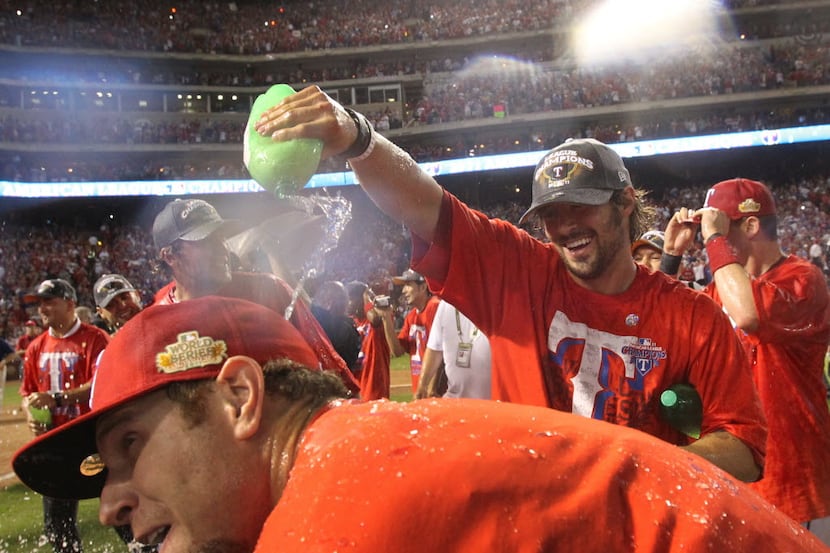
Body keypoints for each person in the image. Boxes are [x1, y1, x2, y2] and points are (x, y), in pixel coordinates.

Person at [11, 296, 828, 553]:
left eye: (126, 447)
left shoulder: (337, 504)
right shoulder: (356, 447)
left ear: (239, 399)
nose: (111, 502)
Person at [252, 88, 767, 482]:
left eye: (581, 205)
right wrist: (357, 138)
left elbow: (744, 445)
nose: (565, 225)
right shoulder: (521, 273)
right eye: (551, 213)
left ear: (626, 202)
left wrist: (627, 471)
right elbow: (426, 205)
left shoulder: (692, 315)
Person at [663, 178, 830, 541]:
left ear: (751, 225)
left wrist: (714, 241)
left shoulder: (803, 279)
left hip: (793, 479)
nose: (710, 233)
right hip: (740, 474)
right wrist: (672, 256)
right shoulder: (720, 288)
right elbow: (657, 324)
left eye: (719, 224)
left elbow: (748, 313)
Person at [150, 197, 360, 396]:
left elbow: (328, 364)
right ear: (169, 256)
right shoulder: (158, 322)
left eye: (222, 237)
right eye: (206, 241)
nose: (223, 248)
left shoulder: (268, 291)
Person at [19, 278, 110, 553]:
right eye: (39, 304)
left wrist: (58, 398)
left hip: (93, 439)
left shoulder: (95, 338)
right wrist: (29, 414)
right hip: (56, 442)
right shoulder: (36, 346)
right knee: (58, 526)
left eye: (49, 302)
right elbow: (27, 392)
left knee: (123, 510)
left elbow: (101, 384)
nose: (42, 309)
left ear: (70, 304)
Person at [379, 269, 439, 395]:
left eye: (408, 285)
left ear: (423, 287)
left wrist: (430, 389)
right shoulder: (411, 316)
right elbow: (397, 351)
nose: (403, 291)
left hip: (434, 392)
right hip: (421, 388)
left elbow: (442, 351)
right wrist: (386, 317)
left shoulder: (434, 307)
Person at [417, 299, 491, 399]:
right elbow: (434, 349)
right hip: (455, 399)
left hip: (491, 403)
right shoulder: (445, 304)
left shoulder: (493, 300)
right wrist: (422, 385)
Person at [346, 280, 391, 400]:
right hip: (356, 387)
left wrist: (367, 297)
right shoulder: (351, 321)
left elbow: (375, 320)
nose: (348, 303)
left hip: (374, 389)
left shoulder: (378, 316)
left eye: (351, 299)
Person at [310, 280, 361, 372]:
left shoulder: (341, 328)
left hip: (329, 382)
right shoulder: (349, 327)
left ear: (329, 302)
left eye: (321, 299)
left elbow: (300, 301)